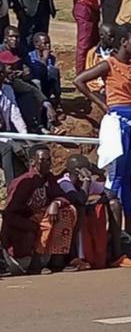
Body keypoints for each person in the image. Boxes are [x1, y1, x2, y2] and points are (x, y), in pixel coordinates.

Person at [74, 25, 131, 233]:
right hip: (117, 124)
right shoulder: (109, 64)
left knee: (127, 177)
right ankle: (101, 223)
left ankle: (129, 226)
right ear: (124, 42)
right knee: (115, 177)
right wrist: (102, 103)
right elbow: (79, 80)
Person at [1, 146, 77, 275]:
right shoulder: (22, 183)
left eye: (48, 160)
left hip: (41, 224)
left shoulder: (49, 179)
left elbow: (63, 197)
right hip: (21, 233)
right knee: (46, 221)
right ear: (32, 162)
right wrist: (33, 226)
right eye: (43, 160)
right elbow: (10, 214)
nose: (47, 163)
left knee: (67, 211)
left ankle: (56, 262)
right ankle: (33, 263)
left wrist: (55, 203)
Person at [57, 154, 131, 269]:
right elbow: (80, 200)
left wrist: (100, 173)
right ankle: (73, 258)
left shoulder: (86, 183)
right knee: (79, 209)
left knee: (114, 204)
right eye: (87, 168)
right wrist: (87, 180)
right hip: (67, 222)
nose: (90, 171)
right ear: (77, 171)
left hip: (86, 216)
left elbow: (111, 194)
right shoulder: (65, 183)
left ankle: (117, 255)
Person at [51, 0, 100, 75]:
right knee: (84, 43)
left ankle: (91, 73)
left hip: (92, 5)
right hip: (84, 5)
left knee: (94, 42)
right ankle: (81, 76)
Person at [0, 60, 28, 191]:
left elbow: (15, 114)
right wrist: (10, 142)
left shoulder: (7, 90)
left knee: (29, 149)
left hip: (7, 134)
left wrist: (26, 137)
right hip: (3, 139)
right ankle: (12, 191)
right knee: (7, 149)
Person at [25, 33, 61, 107]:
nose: (48, 46)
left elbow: (50, 72)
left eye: (49, 43)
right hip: (35, 82)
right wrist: (44, 59)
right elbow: (38, 72)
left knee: (54, 71)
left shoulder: (51, 58)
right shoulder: (30, 57)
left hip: (46, 83)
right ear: (36, 45)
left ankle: (56, 99)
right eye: (45, 43)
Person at [85, 22, 117, 98]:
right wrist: (100, 88)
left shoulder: (117, 54)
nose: (113, 39)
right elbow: (89, 78)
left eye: (114, 37)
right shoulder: (92, 53)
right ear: (102, 36)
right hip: (97, 90)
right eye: (110, 36)